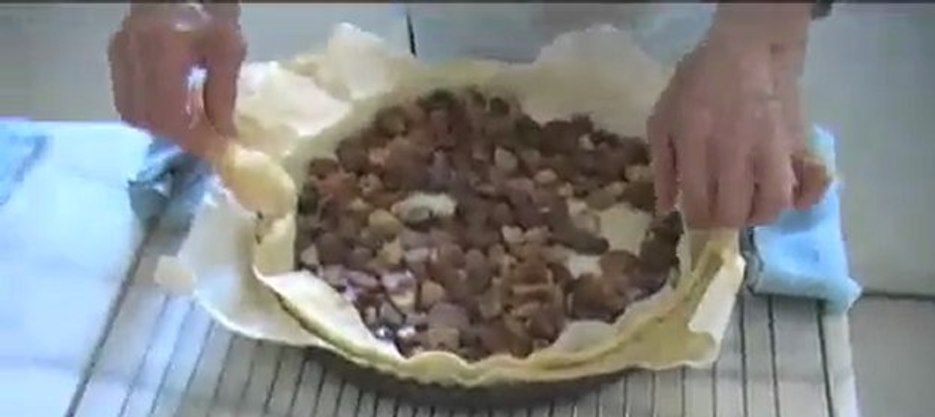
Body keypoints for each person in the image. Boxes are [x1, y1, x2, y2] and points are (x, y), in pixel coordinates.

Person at [108, 2, 831, 230]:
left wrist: (762, 32)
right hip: (465, 16)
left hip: (687, 31)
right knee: (463, 116)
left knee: (707, 195)